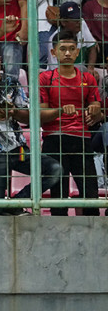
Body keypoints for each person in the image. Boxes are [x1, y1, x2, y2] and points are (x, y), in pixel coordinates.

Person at [0, 47, 63, 215]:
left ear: (0, 61)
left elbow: (28, 116)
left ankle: (17, 202)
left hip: (18, 149)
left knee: (55, 169)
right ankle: (11, 209)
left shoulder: (12, 82)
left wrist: (14, 112)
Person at [38, 31, 103, 216]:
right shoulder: (45, 78)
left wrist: (95, 112)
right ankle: (58, 231)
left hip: (81, 139)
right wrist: (60, 111)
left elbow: (96, 106)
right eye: (63, 49)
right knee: (58, 195)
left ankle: (92, 230)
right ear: (53, 52)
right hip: (54, 139)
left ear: (77, 52)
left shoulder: (87, 79)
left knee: (90, 193)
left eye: (71, 49)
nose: (67, 53)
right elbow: (41, 115)